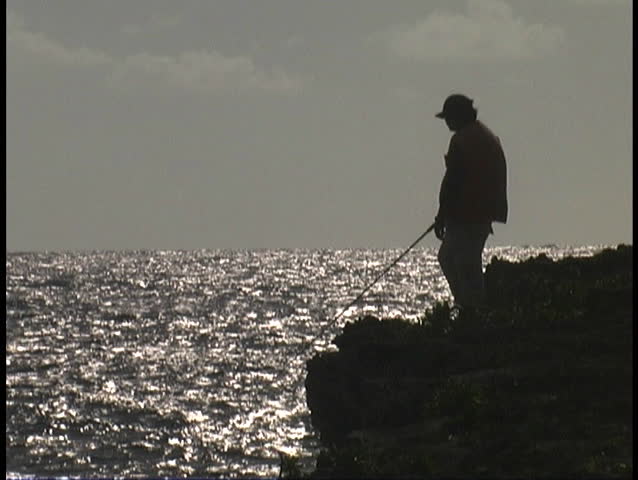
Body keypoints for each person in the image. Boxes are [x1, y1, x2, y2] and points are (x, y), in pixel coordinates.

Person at [433, 94, 508, 311]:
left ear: (458, 116)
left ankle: (469, 309)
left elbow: (453, 180)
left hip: (465, 215)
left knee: (454, 260)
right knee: (465, 261)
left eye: (448, 117)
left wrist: (441, 215)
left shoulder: (461, 140)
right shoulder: (487, 135)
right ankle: (471, 307)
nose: (447, 122)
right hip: (483, 213)